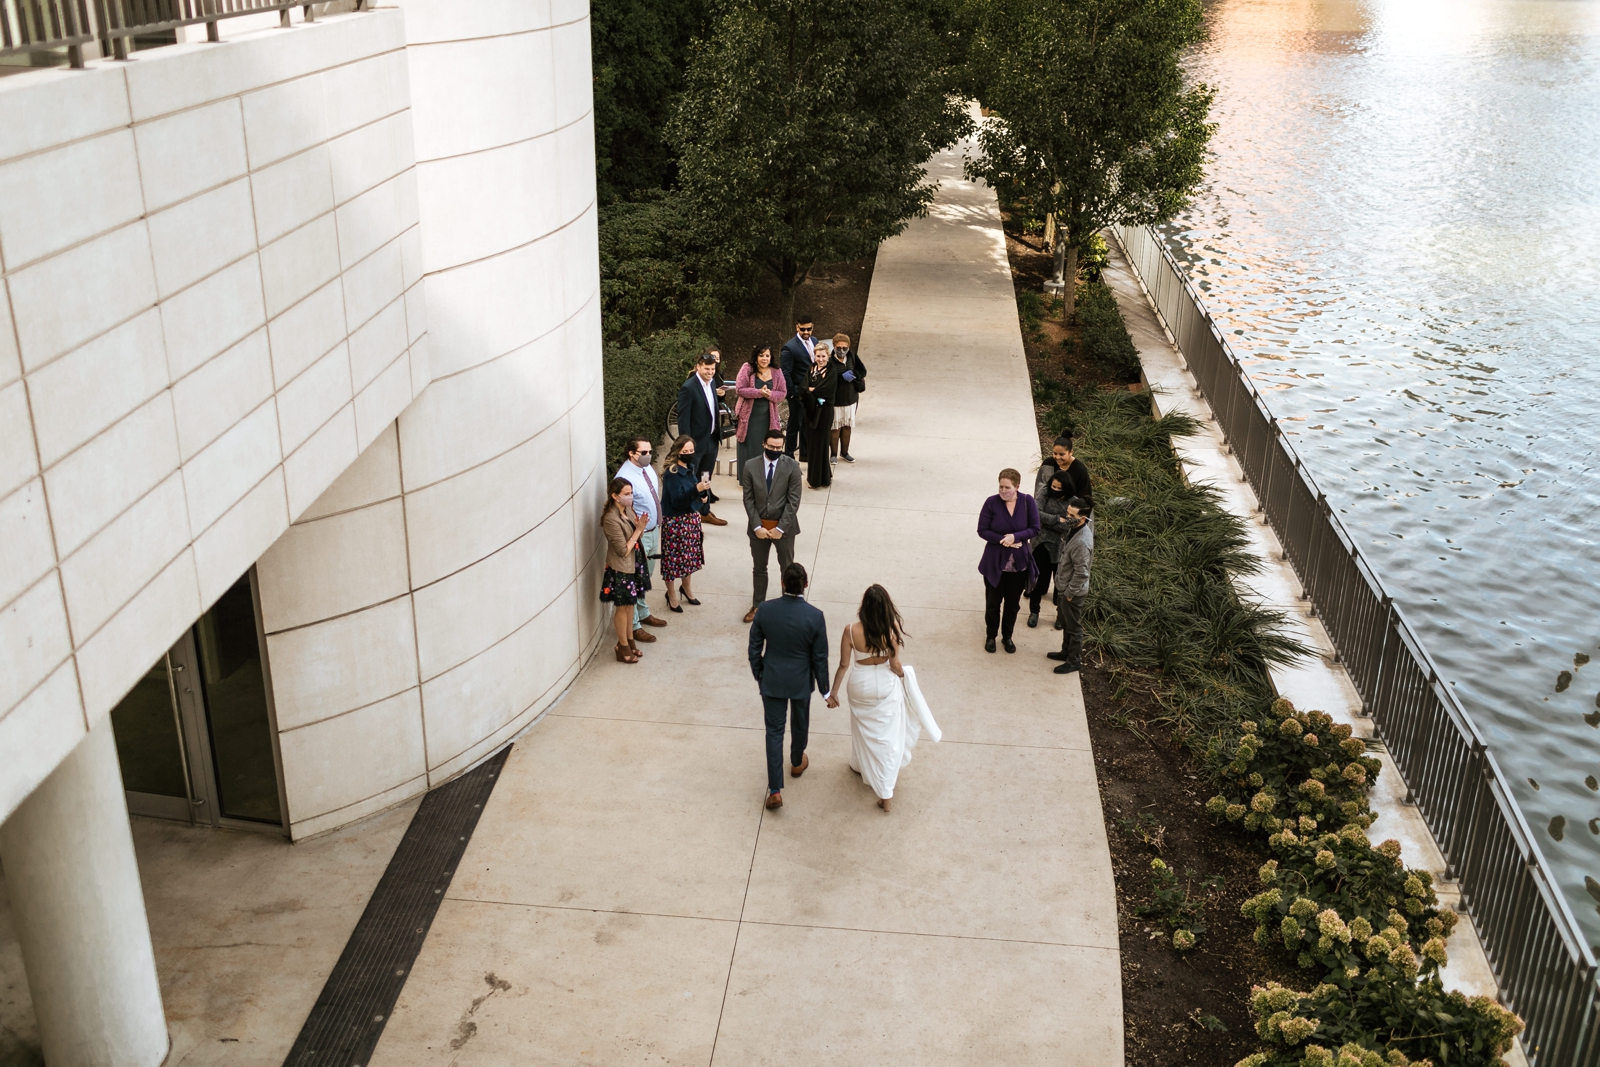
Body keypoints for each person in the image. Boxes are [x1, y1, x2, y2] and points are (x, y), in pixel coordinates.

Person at [825, 585, 940, 812]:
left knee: (860, 726)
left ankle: (860, 765)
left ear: (864, 607)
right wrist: (904, 676)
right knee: (888, 736)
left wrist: (833, 693)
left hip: (859, 686)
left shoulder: (850, 631)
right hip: (885, 686)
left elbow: (843, 665)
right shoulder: (891, 629)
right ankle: (885, 794)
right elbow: (895, 665)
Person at [748, 562, 831, 810]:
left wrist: (760, 675)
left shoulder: (765, 610)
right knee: (800, 722)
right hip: (800, 682)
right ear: (805, 585)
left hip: (772, 680)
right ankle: (796, 762)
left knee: (774, 732)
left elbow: (754, 648)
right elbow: (820, 658)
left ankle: (775, 790)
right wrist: (826, 690)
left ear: (782, 583)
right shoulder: (815, 616)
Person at [740, 427, 803, 623]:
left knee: (787, 569)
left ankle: (789, 608)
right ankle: (758, 605)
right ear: (763, 445)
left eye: (779, 447)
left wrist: (780, 528)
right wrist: (757, 527)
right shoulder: (750, 466)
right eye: (771, 446)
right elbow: (748, 499)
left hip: (784, 528)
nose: (775, 450)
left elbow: (794, 501)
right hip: (759, 528)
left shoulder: (792, 467)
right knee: (759, 568)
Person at [977, 468, 1040, 654]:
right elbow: (982, 530)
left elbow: (1035, 528)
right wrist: (1003, 540)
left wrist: (1016, 536)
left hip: (1018, 565)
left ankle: (1007, 637)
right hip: (995, 562)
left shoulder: (1028, 502)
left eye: (1007, 488)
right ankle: (991, 636)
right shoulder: (991, 503)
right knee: (992, 604)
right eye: (1000, 487)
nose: (1003, 491)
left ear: (1017, 487)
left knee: (1012, 605)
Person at [614, 438, 668, 642]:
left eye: (650, 451)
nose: (648, 455)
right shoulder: (625, 477)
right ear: (631, 453)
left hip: (653, 530)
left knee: (646, 576)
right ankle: (634, 625)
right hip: (638, 535)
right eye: (644, 452)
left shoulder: (648, 470)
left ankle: (643, 613)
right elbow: (621, 509)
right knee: (635, 579)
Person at [599, 477, 650, 663]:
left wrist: (640, 528)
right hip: (621, 568)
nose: (630, 497)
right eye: (626, 494)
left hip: (633, 564)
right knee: (622, 607)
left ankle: (629, 640)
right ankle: (622, 645)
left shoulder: (628, 509)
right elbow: (622, 550)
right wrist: (638, 530)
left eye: (631, 493)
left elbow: (637, 533)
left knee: (631, 604)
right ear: (615, 496)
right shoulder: (610, 519)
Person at [675, 352, 729, 525]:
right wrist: (686, 444)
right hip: (695, 443)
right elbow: (683, 419)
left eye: (712, 369)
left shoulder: (712, 383)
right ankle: (689, 513)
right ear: (698, 367)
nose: (710, 372)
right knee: (691, 478)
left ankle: (704, 511)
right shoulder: (688, 388)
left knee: (706, 476)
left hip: (711, 440)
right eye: (706, 368)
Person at [660, 435, 710, 611]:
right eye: (685, 451)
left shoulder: (690, 469)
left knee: (689, 558)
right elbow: (677, 501)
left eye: (691, 451)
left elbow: (693, 493)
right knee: (672, 561)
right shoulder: (672, 473)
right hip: (675, 522)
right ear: (677, 452)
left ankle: (687, 588)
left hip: (690, 519)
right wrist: (696, 490)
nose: (689, 454)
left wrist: (702, 496)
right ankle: (671, 594)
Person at [1047, 497, 1094, 674]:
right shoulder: (1074, 529)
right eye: (1067, 513)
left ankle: (1074, 660)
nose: (1067, 517)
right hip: (1064, 588)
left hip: (1072, 593)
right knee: (1066, 623)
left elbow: (1082, 572)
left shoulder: (1082, 542)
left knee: (1074, 628)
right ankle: (1065, 652)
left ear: (1082, 518)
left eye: (1071, 515)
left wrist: (1069, 593)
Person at [734, 345, 787, 474]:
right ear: (756, 357)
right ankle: (746, 478)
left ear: (771, 357)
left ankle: (762, 477)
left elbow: (782, 392)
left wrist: (770, 395)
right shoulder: (747, 368)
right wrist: (759, 393)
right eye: (761, 355)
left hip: (768, 417)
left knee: (765, 446)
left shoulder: (776, 371)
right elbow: (740, 389)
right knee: (748, 447)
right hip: (749, 417)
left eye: (767, 356)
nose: (764, 358)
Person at [802, 340, 839, 488]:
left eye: (823, 356)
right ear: (814, 356)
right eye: (818, 356)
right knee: (812, 443)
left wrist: (811, 391)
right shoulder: (811, 368)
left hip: (824, 413)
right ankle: (822, 475)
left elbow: (827, 391)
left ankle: (816, 479)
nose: (821, 359)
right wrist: (810, 391)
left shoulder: (832, 371)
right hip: (810, 411)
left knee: (821, 443)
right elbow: (802, 388)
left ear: (828, 356)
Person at [780, 314, 816, 457]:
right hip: (797, 391)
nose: (806, 332)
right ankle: (789, 454)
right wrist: (793, 392)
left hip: (811, 390)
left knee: (807, 422)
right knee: (794, 424)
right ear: (797, 328)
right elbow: (785, 372)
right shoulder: (789, 348)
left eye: (809, 329)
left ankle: (805, 453)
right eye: (803, 329)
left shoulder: (814, 341)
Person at [829, 333, 865, 463]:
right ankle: (833, 454)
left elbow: (863, 371)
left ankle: (845, 452)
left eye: (845, 348)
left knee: (847, 426)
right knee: (835, 428)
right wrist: (841, 378)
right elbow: (827, 380)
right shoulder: (829, 360)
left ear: (848, 347)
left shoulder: (852, 357)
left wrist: (855, 374)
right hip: (836, 400)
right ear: (834, 346)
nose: (842, 351)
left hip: (851, 399)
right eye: (839, 348)